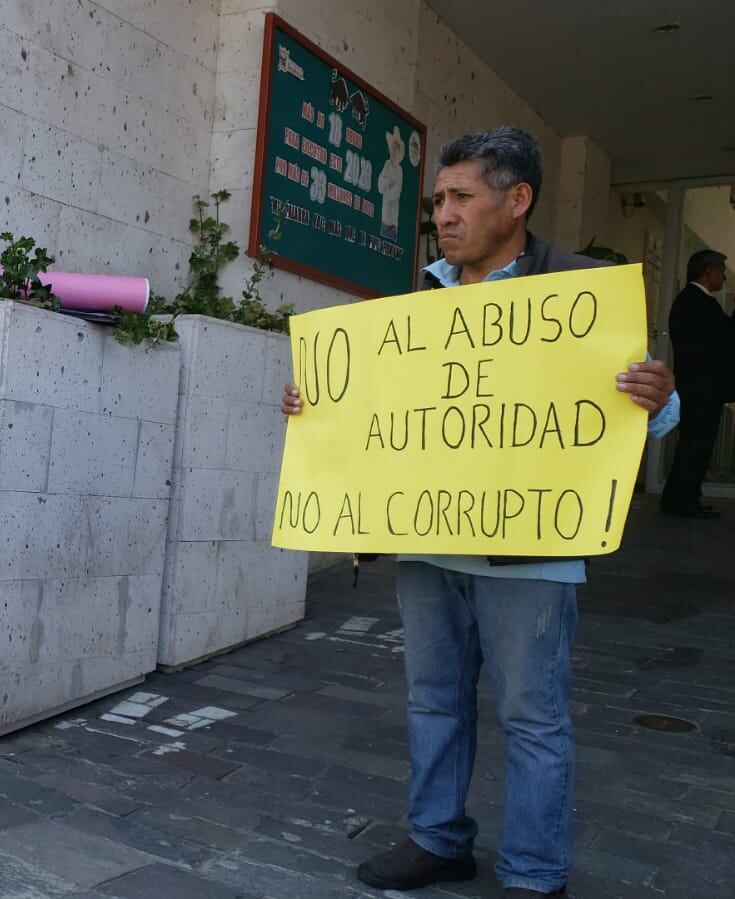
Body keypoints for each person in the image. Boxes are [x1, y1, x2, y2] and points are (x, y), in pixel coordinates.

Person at [283, 128, 679, 899]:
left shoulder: (582, 291)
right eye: (438, 200)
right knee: (432, 699)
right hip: (426, 540)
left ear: (517, 199)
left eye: (460, 196)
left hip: (528, 551)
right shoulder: (424, 297)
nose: (443, 214)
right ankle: (437, 838)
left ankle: (534, 873)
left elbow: (655, 415)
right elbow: (379, 410)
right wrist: (313, 407)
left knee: (532, 716)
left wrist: (657, 400)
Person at [662, 248, 731, 518]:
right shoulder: (694, 302)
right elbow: (723, 337)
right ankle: (682, 501)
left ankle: (684, 497)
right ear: (708, 271)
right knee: (696, 444)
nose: (723, 276)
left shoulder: (693, 302)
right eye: (721, 270)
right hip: (701, 389)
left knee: (696, 444)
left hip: (699, 387)